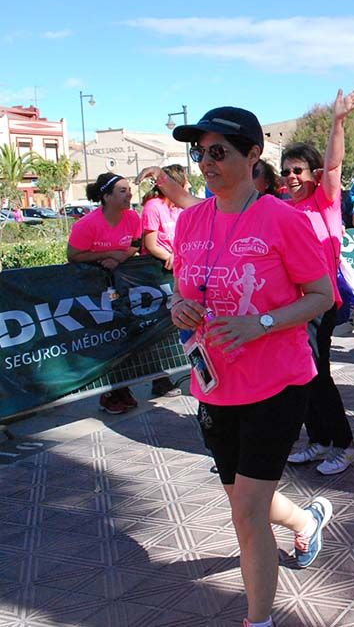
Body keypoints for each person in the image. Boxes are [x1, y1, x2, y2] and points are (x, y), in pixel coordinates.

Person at [170, 106, 335, 627]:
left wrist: (259, 323)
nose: (206, 163)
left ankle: (258, 619)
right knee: (249, 502)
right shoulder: (189, 220)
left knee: (244, 513)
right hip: (214, 386)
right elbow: (182, 289)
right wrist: (179, 307)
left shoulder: (284, 220)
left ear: (252, 155)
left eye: (219, 152)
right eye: (200, 152)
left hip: (277, 385)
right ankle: (306, 519)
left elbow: (321, 296)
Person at [281, 88, 354, 476]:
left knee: (318, 373)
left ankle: (346, 446)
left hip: (322, 301)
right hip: (291, 305)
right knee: (302, 375)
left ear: (312, 174)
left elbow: (334, 166)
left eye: (298, 170)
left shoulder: (325, 202)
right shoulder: (284, 209)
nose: (291, 177)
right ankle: (318, 441)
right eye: (286, 171)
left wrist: (338, 122)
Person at [68, 172, 142, 414]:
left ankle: (122, 388)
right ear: (106, 196)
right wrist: (105, 256)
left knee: (125, 333)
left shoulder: (132, 218)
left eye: (129, 190)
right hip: (91, 290)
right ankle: (109, 392)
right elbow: (73, 255)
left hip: (121, 288)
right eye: (122, 191)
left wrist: (122, 256)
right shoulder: (86, 225)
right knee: (104, 337)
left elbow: (136, 244)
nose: (129, 195)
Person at [138, 164, 188, 398]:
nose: (188, 187)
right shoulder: (153, 207)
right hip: (156, 274)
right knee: (158, 328)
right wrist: (169, 256)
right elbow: (150, 244)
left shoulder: (180, 208)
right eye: (185, 182)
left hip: (179, 272)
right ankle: (160, 379)